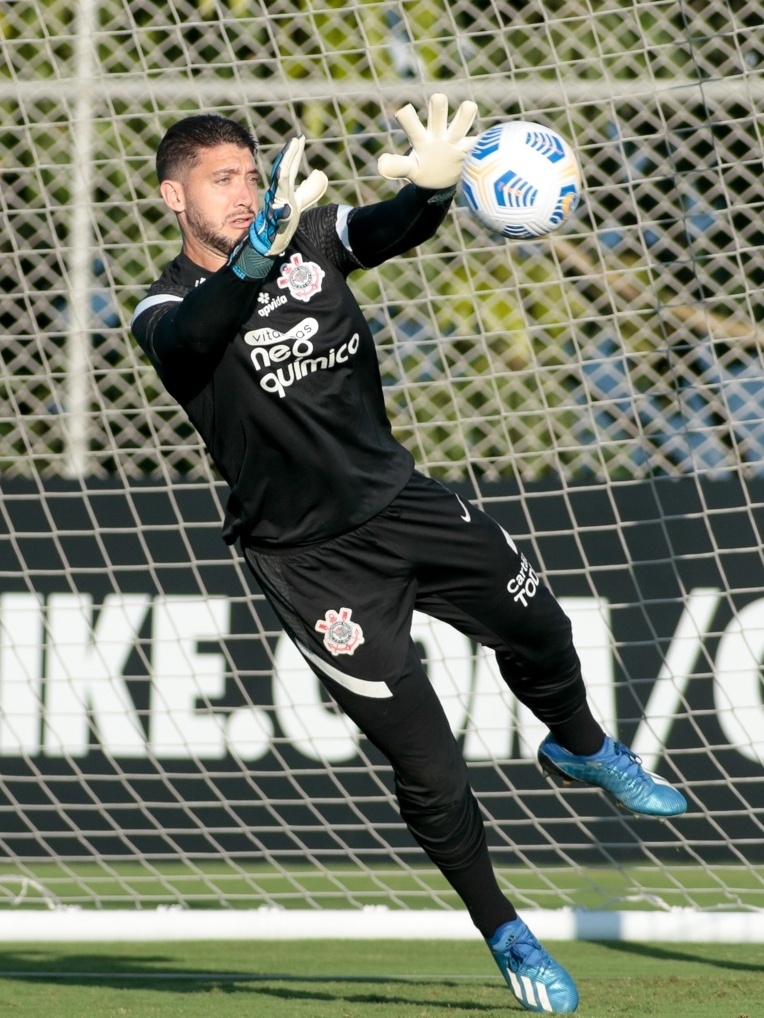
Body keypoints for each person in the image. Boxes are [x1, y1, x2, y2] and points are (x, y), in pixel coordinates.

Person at [131, 95, 687, 1015]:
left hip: (405, 506)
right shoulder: (165, 305)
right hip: (311, 566)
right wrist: (258, 250)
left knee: (542, 627)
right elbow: (194, 339)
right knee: (431, 768)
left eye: (248, 172)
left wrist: (431, 191)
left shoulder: (306, 236)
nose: (242, 191)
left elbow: (385, 227)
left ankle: (582, 746)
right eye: (219, 180)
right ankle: (506, 931)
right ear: (172, 198)